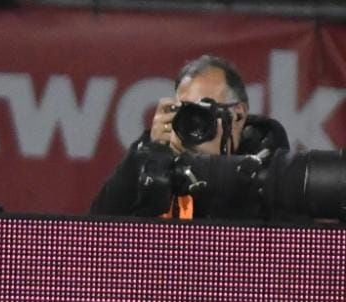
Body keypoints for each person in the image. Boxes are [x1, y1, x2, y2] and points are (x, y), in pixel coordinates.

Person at [90, 54, 291, 219]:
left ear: (237, 115)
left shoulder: (269, 165)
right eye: (185, 111)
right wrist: (146, 155)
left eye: (204, 112)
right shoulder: (158, 157)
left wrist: (212, 167)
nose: (193, 123)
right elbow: (98, 230)